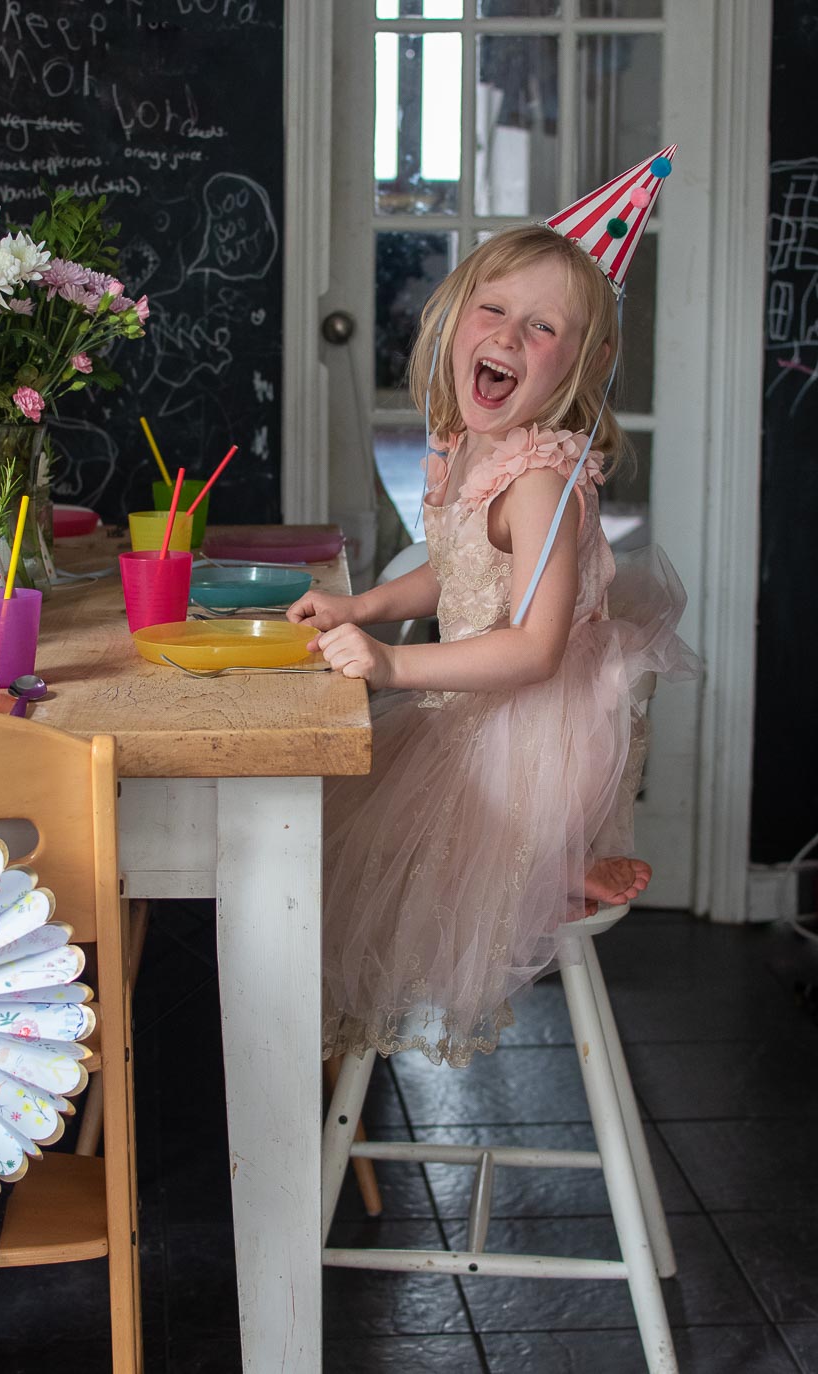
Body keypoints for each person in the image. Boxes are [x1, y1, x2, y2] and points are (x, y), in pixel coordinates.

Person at [287, 148, 698, 1068]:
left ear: (584, 363)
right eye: (496, 308)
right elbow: (455, 573)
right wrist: (366, 604)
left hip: (529, 725)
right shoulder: (473, 452)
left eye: (543, 326)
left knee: (383, 841)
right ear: (457, 316)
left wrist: (393, 663)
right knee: (329, 816)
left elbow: (535, 650)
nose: (510, 335)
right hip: (471, 702)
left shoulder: (543, 482)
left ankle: (549, 854)